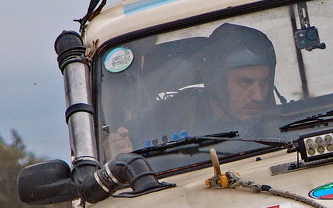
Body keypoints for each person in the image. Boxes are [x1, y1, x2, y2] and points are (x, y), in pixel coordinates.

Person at [105, 23, 279, 155]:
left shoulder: (286, 123)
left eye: (264, 82)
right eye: (245, 83)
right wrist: (115, 151)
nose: (258, 96)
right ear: (216, 82)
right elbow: (127, 149)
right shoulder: (162, 120)